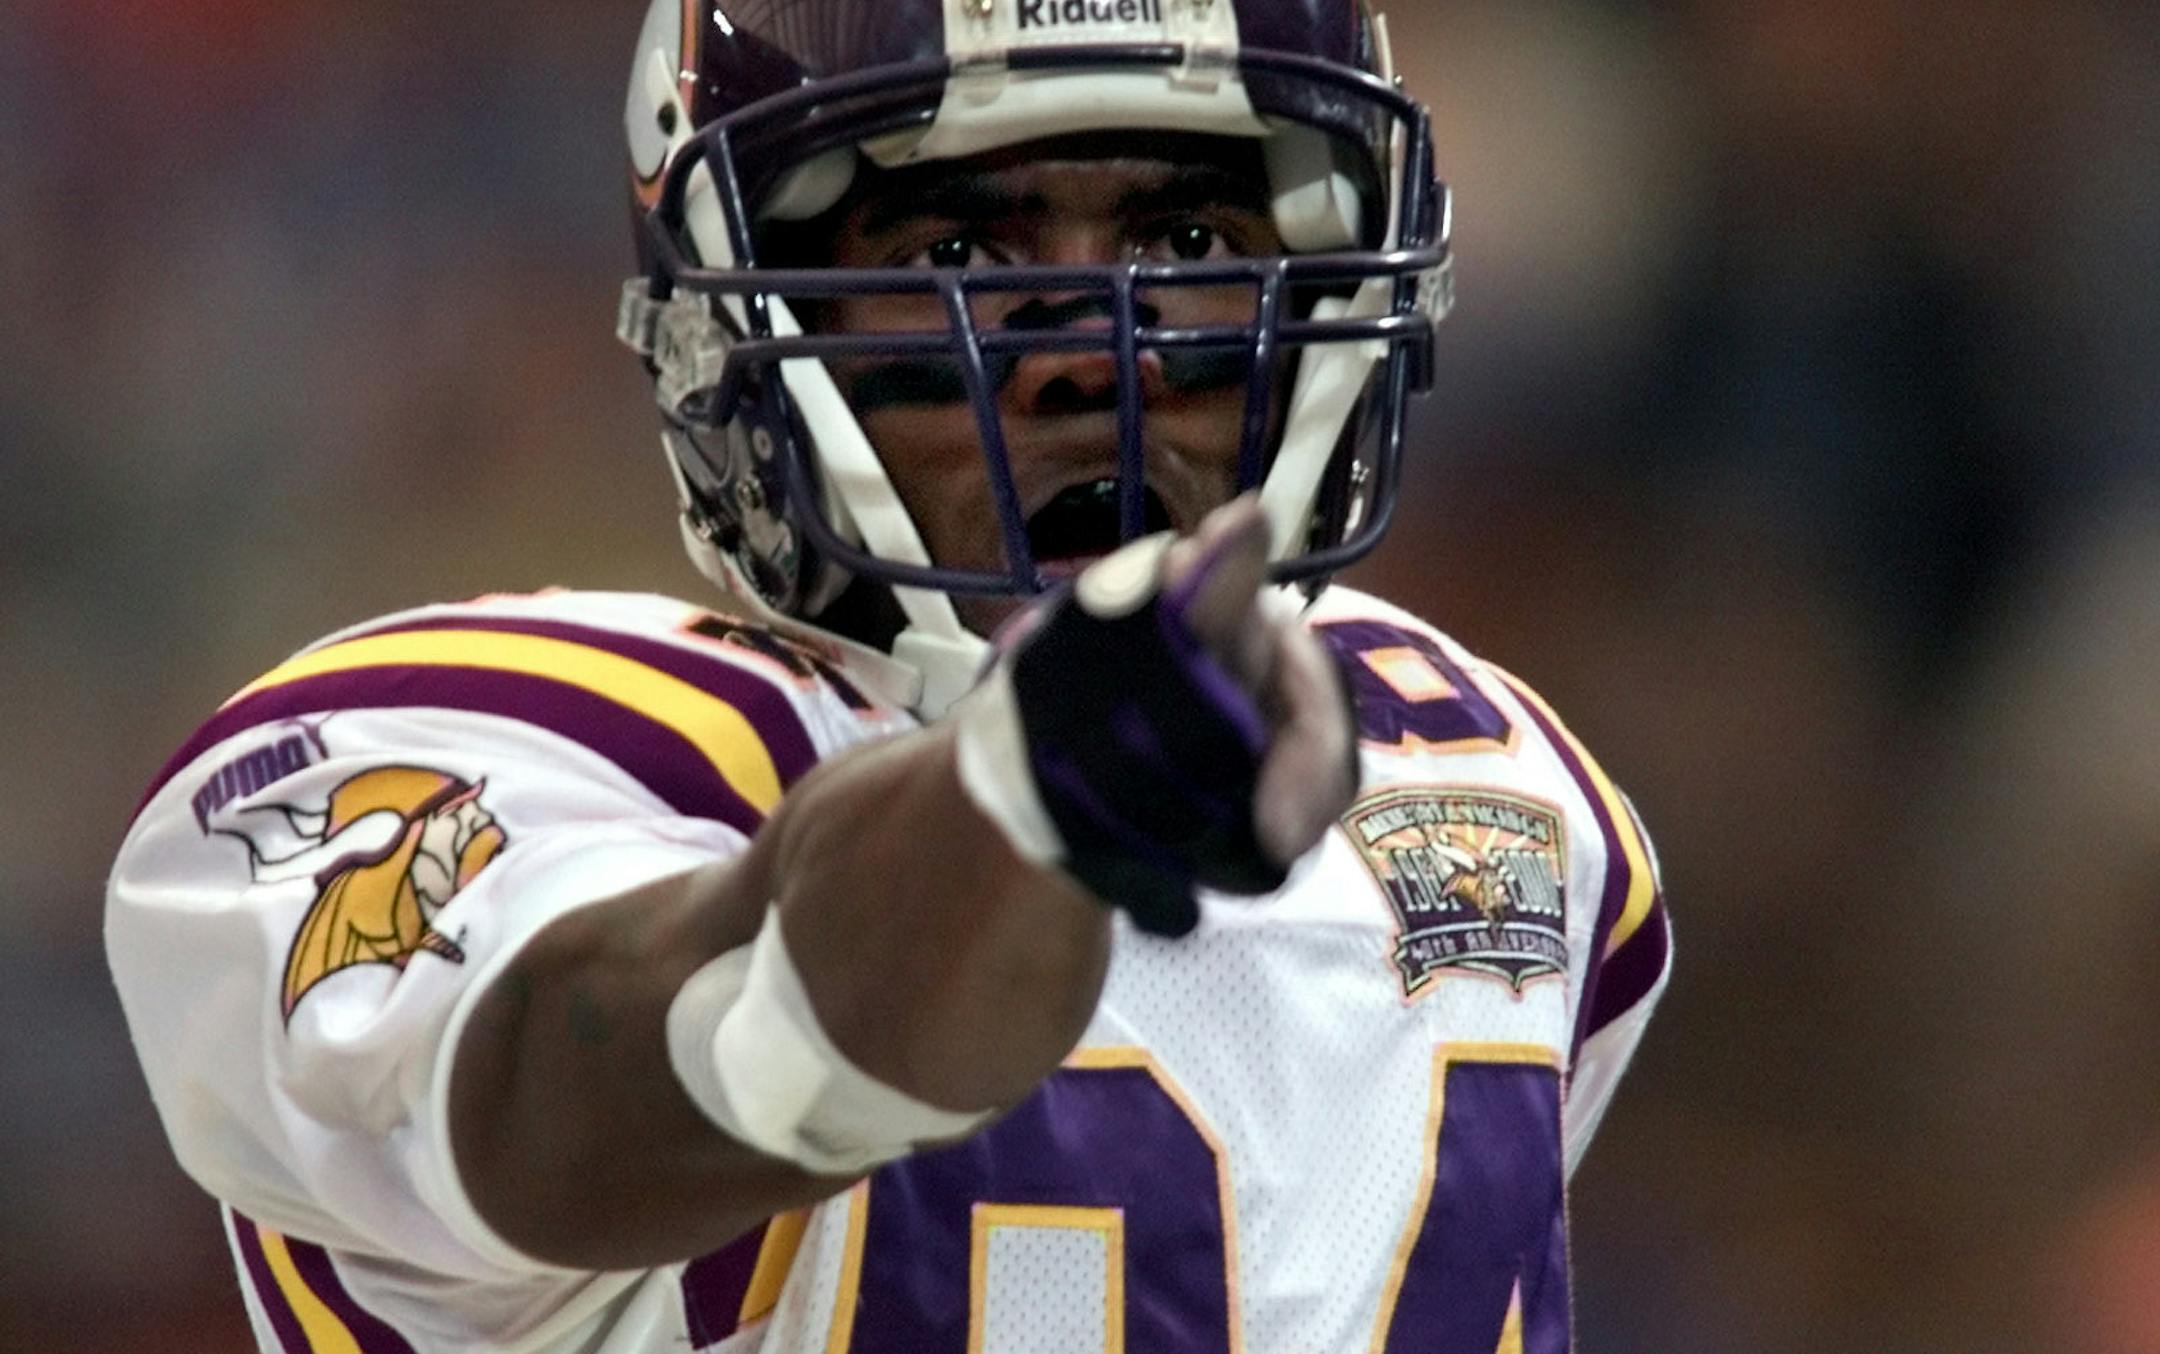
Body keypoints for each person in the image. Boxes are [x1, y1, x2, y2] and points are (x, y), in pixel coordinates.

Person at [106, 1, 1671, 1349]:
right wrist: (1015, 800)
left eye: (1187, 240)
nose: (1095, 346)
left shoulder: (1501, 789)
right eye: (956, 247)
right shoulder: (466, 753)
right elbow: (604, 1091)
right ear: (732, 330)